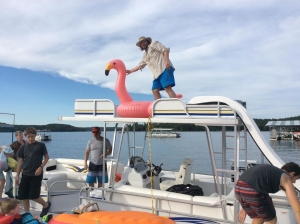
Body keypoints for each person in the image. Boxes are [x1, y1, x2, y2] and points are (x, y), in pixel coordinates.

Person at [235, 162, 300, 224]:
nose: (294, 182)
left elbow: (251, 181)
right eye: (296, 179)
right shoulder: (286, 178)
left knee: (259, 216)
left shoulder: (273, 173)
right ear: (292, 174)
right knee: (271, 220)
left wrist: (244, 207)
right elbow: (297, 209)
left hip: (238, 188)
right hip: (252, 191)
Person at [15, 127, 51, 217]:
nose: (30, 138)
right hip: (25, 174)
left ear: (35, 136)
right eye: (28, 137)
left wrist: (41, 167)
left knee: (33, 195)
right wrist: (17, 175)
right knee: (23, 196)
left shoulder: (41, 145)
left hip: (36, 174)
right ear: (26, 137)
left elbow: (47, 157)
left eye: (32, 136)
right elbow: (20, 161)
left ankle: (46, 205)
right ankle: (28, 213)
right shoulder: (23, 147)